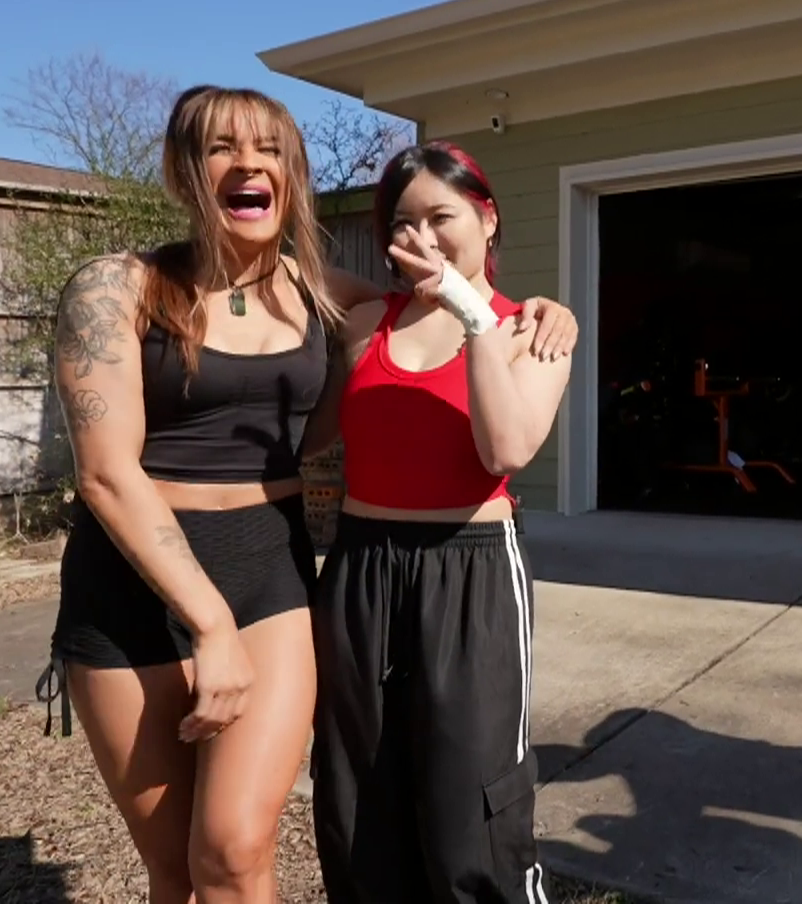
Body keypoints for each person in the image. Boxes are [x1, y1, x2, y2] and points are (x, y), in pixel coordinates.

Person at [41, 86, 577, 904]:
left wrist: (533, 308)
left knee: (234, 851)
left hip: (269, 574)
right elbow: (106, 473)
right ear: (183, 172)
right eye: (220, 148)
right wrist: (208, 624)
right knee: (177, 866)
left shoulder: (314, 288)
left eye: (268, 150)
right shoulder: (118, 286)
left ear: (291, 175)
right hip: (131, 584)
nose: (247, 165)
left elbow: (444, 334)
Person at [305, 141, 573, 904]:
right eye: (403, 222)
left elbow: (505, 449)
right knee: (357, 797)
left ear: (488, 219)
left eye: (441, 216)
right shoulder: (366, 323)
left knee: (470, 807)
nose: (421, 236)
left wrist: (471, 311)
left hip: (471, 566)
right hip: (361, 566)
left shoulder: (531, 331)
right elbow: (285, 270)